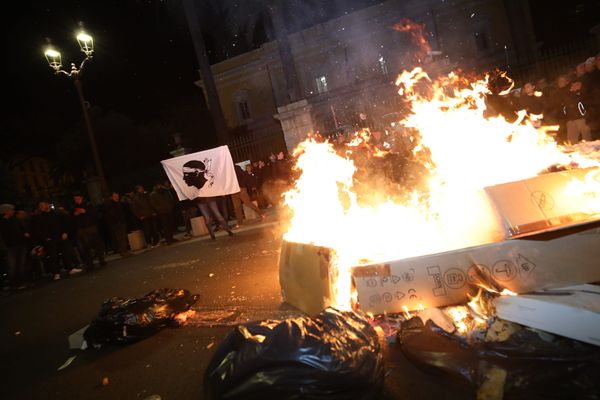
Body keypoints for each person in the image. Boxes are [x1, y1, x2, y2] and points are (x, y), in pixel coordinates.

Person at [31, 200, 78, 280]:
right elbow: (39, 229)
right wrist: (45, 237)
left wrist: (65, 232)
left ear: (47, 205)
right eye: (40, 206)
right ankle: (56, 272)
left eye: (42, 205)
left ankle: (70, 268)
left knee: (65, 252)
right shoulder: (40, 217)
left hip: (60, 236)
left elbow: (64, 223)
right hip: (50, 239)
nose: (41, 207)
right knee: (53, 256)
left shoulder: (57, 214)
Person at [72, 194, 106, 271]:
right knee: (85, 247)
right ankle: (90, 264)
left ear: (81, 198)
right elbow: (72, 220)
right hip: (82, 230)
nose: (77, 200)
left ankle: (101, 260)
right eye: (75, 199)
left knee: (97, 244)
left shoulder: (88, 205)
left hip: (91, 228)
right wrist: (75, 215)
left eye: (78, 198)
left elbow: (95, 214)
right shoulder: (73, 207)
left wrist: (85, 211)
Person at [0, 204, 30, 290]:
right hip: (10, 247)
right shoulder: (2, 222)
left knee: (21, 264)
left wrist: (25, 234)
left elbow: (22, 229)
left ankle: (22, 282)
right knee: (12, 266)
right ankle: (14, 283)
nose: (13, 211)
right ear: (6, 211)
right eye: (11, 210)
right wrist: (4, 247)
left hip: (21, 244)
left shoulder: (15, 220)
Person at [104, 192, 132, 257]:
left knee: (123, 237)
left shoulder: (119, 204)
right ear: (111, 197)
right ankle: (122, 252)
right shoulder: (109, 205)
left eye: (117, 196)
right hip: (116, 224)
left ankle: (125, 251)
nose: (117, 197)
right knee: (119, 238)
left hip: (122, 222)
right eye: (115, 196)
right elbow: (110, 216)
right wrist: (114, 222)